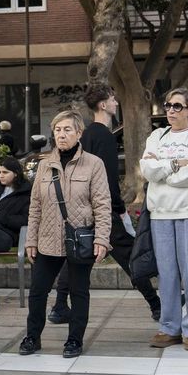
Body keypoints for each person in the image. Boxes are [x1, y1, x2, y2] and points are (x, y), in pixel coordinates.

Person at [18, 111, 111, 359]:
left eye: (67, 129)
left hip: (79, 240)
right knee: (38, 291)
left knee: (79, 292)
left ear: (79, 133)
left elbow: (102, 204)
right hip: (47, 240)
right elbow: (35, 205)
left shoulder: (94, 164)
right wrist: (31, 240)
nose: (62, 134)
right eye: (58, 130)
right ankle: (32, 337)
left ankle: (74, 340)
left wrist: (101, 238)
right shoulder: (44, 165)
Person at [142, 86, 188, 350]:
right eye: (168, 105)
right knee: (167, 273)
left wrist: (163, 170)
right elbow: (147, 169)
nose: (170, 110)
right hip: (159, 213)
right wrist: (176, 164)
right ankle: (169, 327)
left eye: (177, 106)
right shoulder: (157, 135)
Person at [79, 84, 160, 321]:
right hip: (103, 209)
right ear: (103, 105)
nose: (116, 103)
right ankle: (156, 304)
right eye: (113, 99)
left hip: (85, 206)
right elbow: (108, 177)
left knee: (78, 258)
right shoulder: (104, 135)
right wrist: (119, 208)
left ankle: (60, 305)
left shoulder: (86, 134)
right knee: (130, 255)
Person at [0, 155, 31, 255]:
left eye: (5, 172)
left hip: (6, 235)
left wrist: (3, 218)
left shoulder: (26, 194)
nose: (1, 175)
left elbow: (26, 219)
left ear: (16, 173)